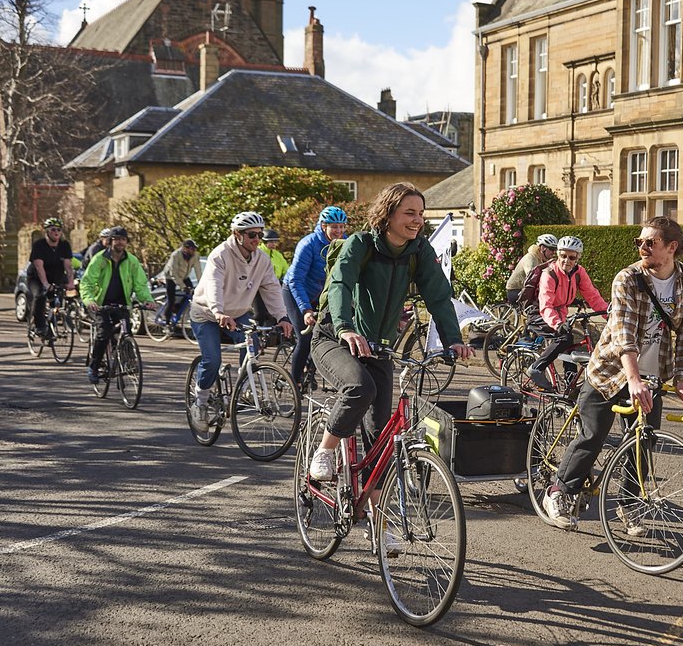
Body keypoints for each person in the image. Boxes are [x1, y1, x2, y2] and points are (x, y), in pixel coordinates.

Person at [306, 182, 474, 488]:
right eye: (409, 212)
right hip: (334, 338)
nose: (417, 220)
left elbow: (438, 296)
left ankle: (375, 518)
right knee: (359, 388)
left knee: (379, 437)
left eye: (421, 214)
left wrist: (453, 339)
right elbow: (341, 284)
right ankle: (325, 450)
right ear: (388, 214)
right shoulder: (361, 244)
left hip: (379, 347)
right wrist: (345, 328)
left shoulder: (418, 251)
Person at [542, 217, 683, 529]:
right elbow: (624, 335)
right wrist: (633, 380)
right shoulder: (627, 279)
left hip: (652, 374)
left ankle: (629, 505)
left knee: (643, 441)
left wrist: (682, 378)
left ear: (672, 247)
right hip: (611, 371)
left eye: (650, 242)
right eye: (639, 241)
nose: (642, 247)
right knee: (593, 435)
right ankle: (559, 492)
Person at [188, 212, 292, 424]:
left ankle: (243, 391)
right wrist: (218, 310)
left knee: (251, 344)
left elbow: (272, 287)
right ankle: (199, 402)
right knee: (212, 359)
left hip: (238, 313)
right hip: (206, 313)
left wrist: (282, 316)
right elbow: (213, 284)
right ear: (237, 234)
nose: (257, 239)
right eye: (252, 234)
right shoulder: (221, 255)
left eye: (260, 235)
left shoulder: (261, 259)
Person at [525, 235, 609, 391]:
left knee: (570, 345)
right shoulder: (549, 274)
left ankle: (569, 387)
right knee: (565, 337)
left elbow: (592, 295)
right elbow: (546, 305)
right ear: (558, 254)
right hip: (539, 314)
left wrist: (608, 314)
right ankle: (536, 368)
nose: (567, 261)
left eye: (572, 257)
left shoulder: (579, 273)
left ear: (577, 258)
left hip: (560, 314)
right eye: (563, 256)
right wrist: (557, 324)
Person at [80, 227, 158, 384]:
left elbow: (140, 285)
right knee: (104, 333)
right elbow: (87, 282)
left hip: (122, 304)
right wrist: (89, 301)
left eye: (123, 239)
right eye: (117, 239)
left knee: (126, 332)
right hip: (101, 305)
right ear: (110, 241)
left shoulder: (132, 261)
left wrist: (147, 300)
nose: (121, 242)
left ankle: (126, 360)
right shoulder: (99, 259)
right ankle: (94, 367)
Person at [283, 206, 348, 385]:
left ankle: (311, 370)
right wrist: (305, 310)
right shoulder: (308, 244)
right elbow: (296, 280)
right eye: (334, 227)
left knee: (327, 335)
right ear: (322, 226)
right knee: (305, 338)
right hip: (296, 292)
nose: (339, 231)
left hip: (322, 294)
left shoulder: (346, 242)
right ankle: (294, 383)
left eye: (342, 227)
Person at [27, 217, 75, 336]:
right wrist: (45, 284)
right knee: (40, 296)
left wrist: (71, 282)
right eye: (53, 229)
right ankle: (38, 325)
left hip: (56, 276)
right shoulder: (39, 245)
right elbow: (39, 267)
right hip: (37, 277)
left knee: (57, 299)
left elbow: (68, 266)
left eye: (59, 230)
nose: (56, 232)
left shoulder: (64, 245)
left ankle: (54, 322)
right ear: (47, 231)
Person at [157, 239, 203, 323]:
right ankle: (166, 319)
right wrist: (183, 287)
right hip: (170, 277)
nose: (193, 251)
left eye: (194, 249)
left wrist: (202, 285)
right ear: (185, 248)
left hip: (184, 276)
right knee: (171, 299)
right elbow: (173, 273)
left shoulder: (195, 256)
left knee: (192, 294)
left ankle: (177, 308)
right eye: (192, 249)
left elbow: (198, 271)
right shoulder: (175, 255)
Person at [505, 233, 558, 303]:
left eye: (555, 249)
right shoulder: (531, 258)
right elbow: (532, 277)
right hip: (515, 291)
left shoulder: (542, 260)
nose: (554, 252)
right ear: (542, 248)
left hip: (526, 290)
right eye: (551, 249)